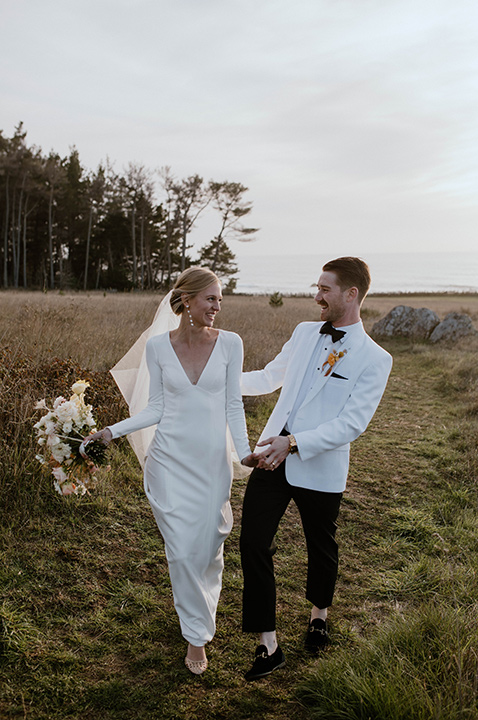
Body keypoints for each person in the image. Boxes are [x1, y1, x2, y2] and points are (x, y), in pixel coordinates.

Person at [82, 267, 257, 675]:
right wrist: (111, 431)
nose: (217, 306)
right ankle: (196, 636)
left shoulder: (231, 344)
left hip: (212, 461)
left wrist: (245, 453)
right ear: (188, 300)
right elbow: (155, 409)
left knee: (209, 545)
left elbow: (234, 405)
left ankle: (200, 605)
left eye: (220, 300)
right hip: (168, 462)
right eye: (211, 299)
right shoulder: (159, 347)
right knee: (180, 551)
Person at [239, 256, 392, 680]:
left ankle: (318, 616)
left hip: (319, 464)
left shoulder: (376, 358)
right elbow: (270, 377)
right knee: (253, 543)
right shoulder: (305, 332)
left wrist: (297, 443)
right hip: (272, 455)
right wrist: (214, 377)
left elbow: (352, 424)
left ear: (351, 293)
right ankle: (267, 645)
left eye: (324, 289)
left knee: (320, 546)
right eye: (317, 287)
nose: (316, 296)